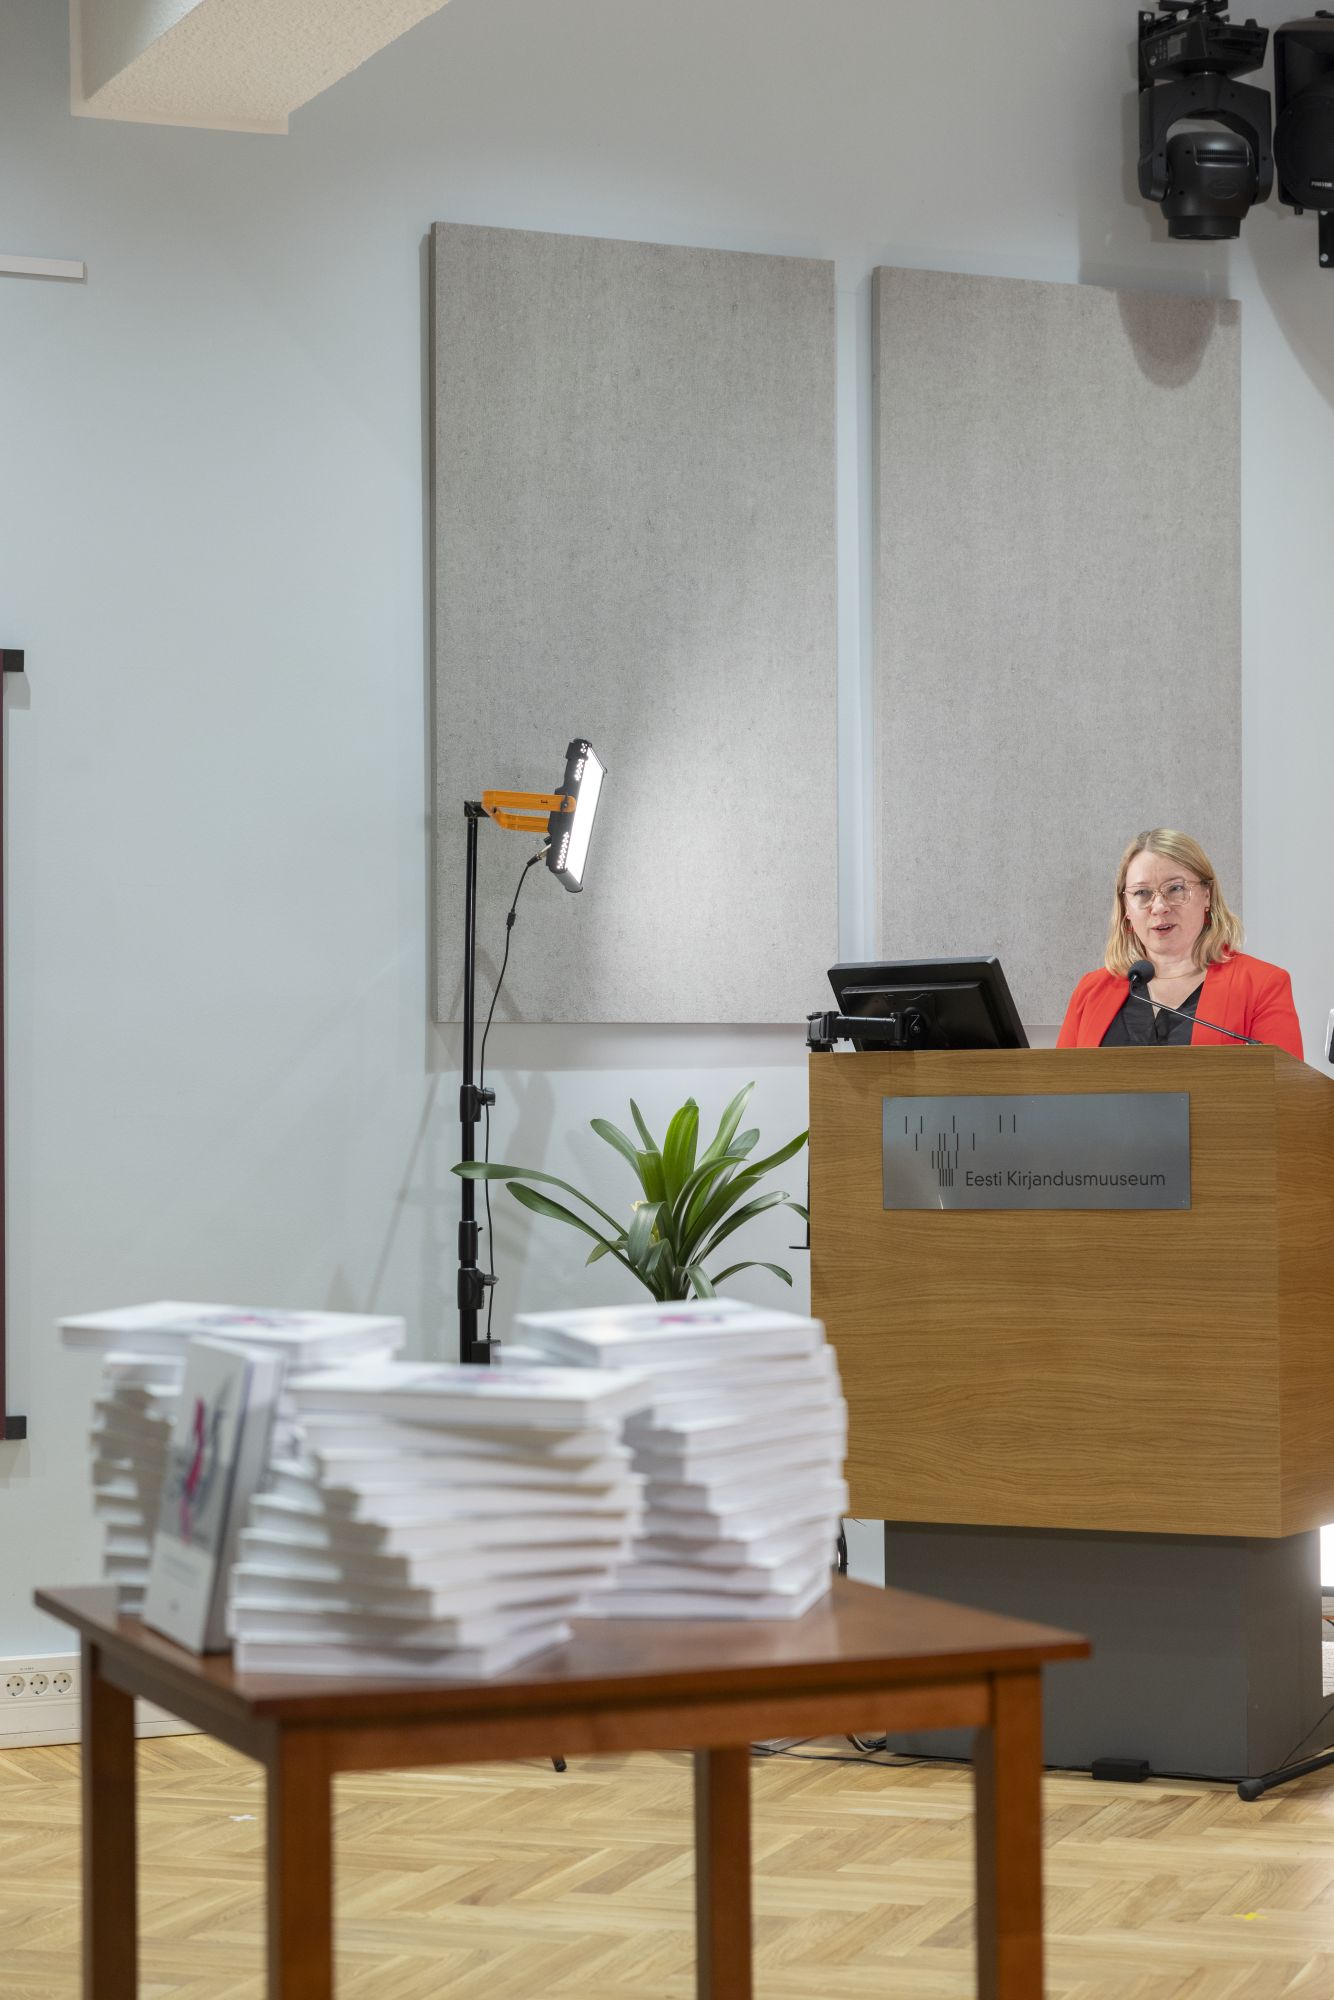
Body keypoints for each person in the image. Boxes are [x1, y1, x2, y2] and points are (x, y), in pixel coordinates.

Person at [1058, 829, 1303, 1058]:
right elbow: (1059, 1085)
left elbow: (1283, 1086)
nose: (1159, 907)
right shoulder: (1091, 991)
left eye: (1175, 888)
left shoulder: (1262, 985)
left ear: (1207, 895)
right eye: (1142, 893)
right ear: (1126, 908)